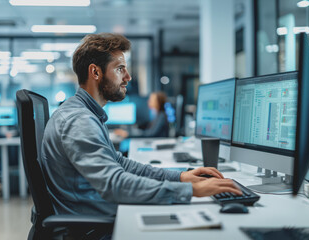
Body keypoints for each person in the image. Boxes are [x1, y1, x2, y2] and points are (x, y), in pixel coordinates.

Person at [41, 33, 241, 223]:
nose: (128, 77)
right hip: (94, 225)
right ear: (95, 72)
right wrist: (191, 191)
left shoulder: (86, 114)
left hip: (99, 213)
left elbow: (121, 165)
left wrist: (181, 177)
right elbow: (115, 185)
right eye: (120, 68)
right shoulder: (79, 121)